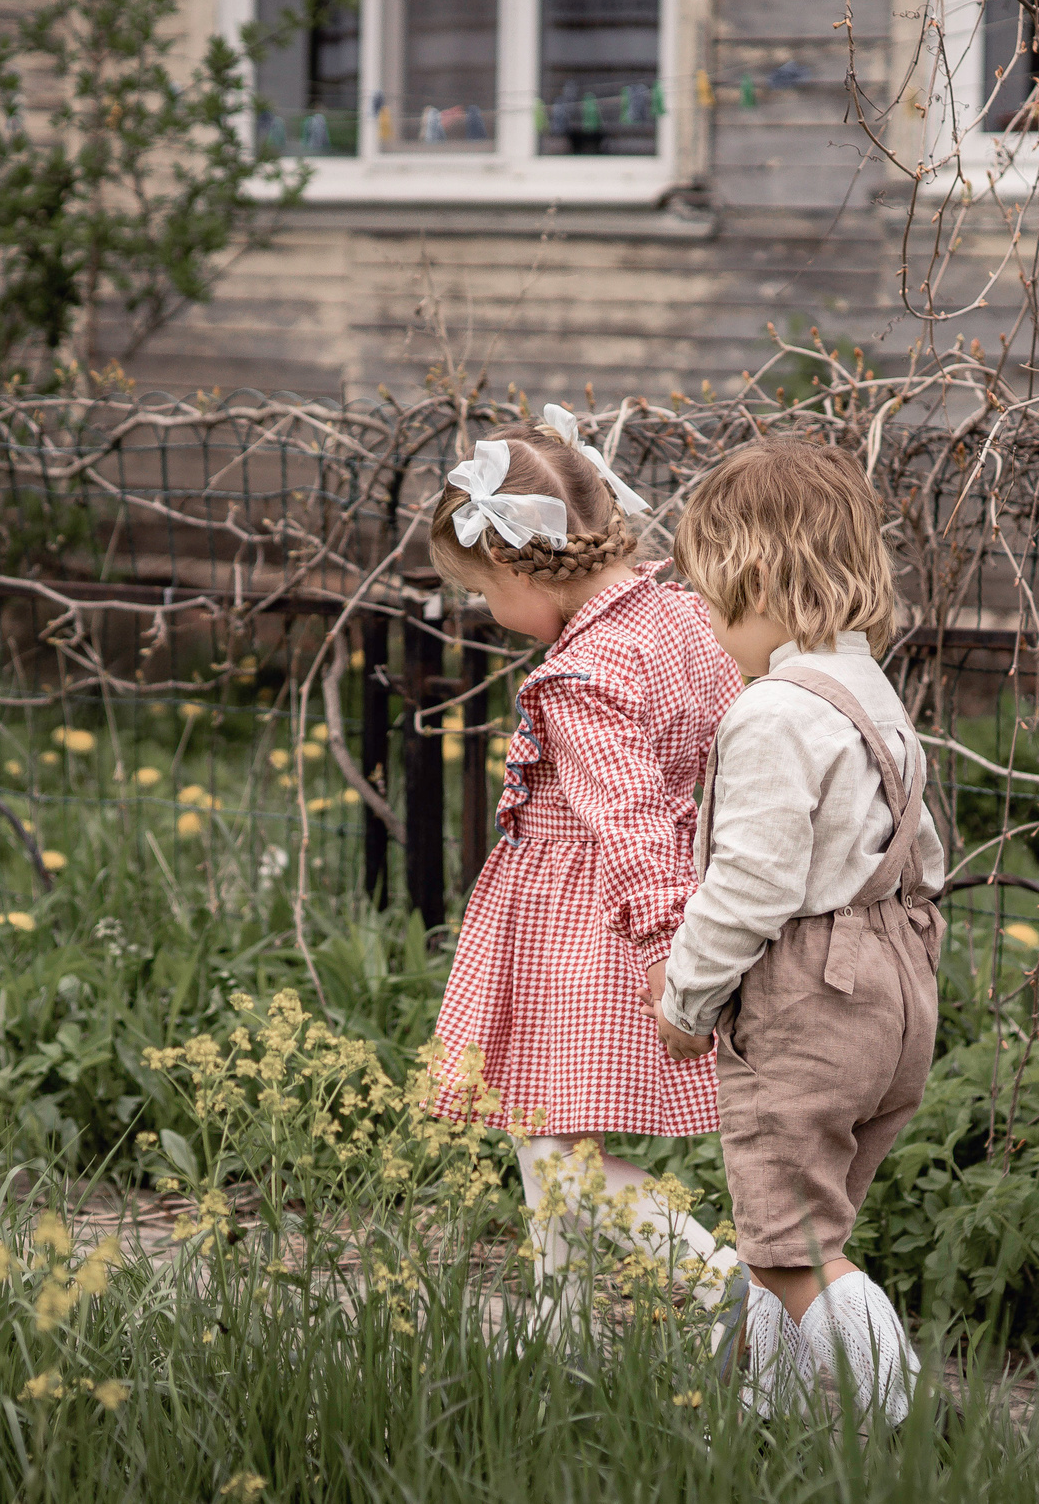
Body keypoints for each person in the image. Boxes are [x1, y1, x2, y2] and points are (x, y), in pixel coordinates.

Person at [644, 436, 945, 1425]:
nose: (705, 622)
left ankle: (911, 1423)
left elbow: (751, 881)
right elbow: (924, 851)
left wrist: (688, 995)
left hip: (810, 990)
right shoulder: (874, 694)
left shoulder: (772, 710)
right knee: (788, 1225)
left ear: (757, 577)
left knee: (795, 1240)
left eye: (708, 596)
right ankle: (766, 1417)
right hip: (893, 983)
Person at [426, 407, 747, 1331]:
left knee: (555, 1138)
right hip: (649, 901)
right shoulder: (685, 613)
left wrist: (665, 953)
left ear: (526, 567)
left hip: (592, 923)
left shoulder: (581, 678)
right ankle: (558, 1318)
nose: (488, 613)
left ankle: (710, 1272)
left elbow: (630, 816)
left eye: (485, 590)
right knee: (549, 1130)